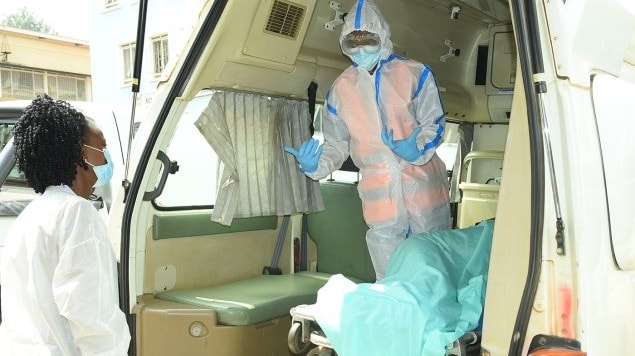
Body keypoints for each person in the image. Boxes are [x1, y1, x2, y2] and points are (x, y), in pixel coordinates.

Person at [285, 0, 450, 280]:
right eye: (352, 45)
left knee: (433, 276)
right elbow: (337, 146)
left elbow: (434, 123)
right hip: (381, 202)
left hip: (425, 196)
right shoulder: (340, 90)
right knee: (390, 282)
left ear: (383, 37)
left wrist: (416, 148)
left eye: (368, 42)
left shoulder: (414, 74)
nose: (360, 51)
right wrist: (314, 166)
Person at [0, 95, 130, 355]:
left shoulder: (31, 215)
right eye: (101, 146)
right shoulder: (77, 214)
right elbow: (91, 315)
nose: (106, 155)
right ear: (80, 151)